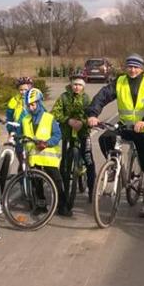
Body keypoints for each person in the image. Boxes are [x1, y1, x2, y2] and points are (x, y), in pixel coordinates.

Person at [86, 54, 144, 191]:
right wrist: (93, 114)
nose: (132, 70)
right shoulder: (120, 81)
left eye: (136, 67)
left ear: (142, 68)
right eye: (130, 67)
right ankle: (114, 166)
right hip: (126, 127)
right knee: (105, 138)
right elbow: (102, 96)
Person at [21, 88, 69, 215]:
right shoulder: (25, 120)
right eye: (28, 105)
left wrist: (47, 143)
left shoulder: (49, 118)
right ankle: (41, 205)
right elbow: (22, 134)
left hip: (48, 157)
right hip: (34, 157)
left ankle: (62, 205)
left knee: (56, 181)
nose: (31, 108)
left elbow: (57, 135)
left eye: (33, 104)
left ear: (39, 102)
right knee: (36, 183)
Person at [51, 72, 96, 202]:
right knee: (64, 162)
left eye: (80, 85)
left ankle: (92, 190)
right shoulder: (64, 97)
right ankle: (63, 190)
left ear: (83, 86)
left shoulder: (86, 99)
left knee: (89, 160)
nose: (77, 87)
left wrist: (83, 122)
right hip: (67, 133)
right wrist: (68, 120)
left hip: (83, 132)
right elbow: (55, 112)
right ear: (71, 85)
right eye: (75, 84)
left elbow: (91, 114)